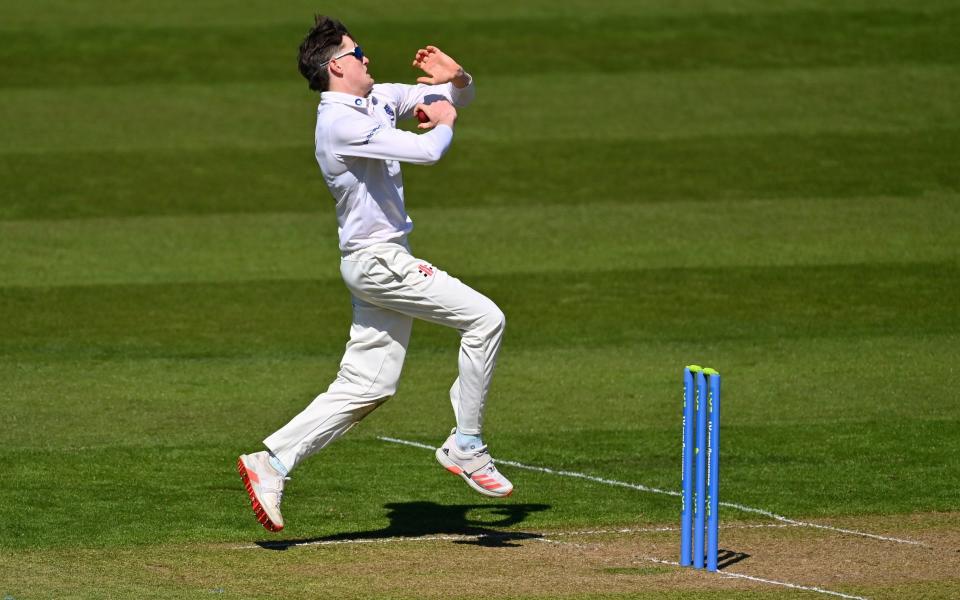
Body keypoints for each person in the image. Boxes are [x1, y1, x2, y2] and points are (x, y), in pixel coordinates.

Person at [237, 15, 513, 533]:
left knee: (368, 385)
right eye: (357, 52)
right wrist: (446, 115)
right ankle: (467, 444)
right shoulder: (339, 123)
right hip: (382, 262)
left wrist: (458, 80)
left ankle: (270, 462)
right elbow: (431, 148)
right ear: (337, 65)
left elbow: (448, 100)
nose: (367, 57)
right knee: (485, 320)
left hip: (376, 261)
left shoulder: (375, 98)